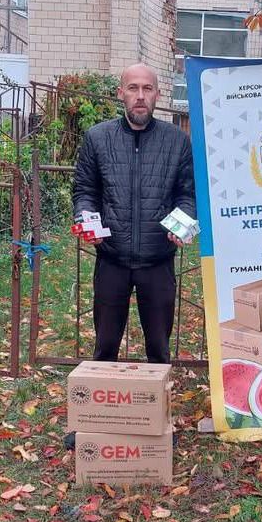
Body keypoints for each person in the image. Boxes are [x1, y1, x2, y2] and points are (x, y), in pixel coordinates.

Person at [72, 63, 195, 364]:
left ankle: (156, 404)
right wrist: (85, 219)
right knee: (105, 347)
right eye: (133, 88)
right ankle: (101, 406)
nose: (140, 96)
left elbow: (187, 194)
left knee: (159, 348)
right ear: (121, 94)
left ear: (157, 94)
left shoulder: (177, 141)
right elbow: (85, 190)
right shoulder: (97, 138)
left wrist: (183, 223)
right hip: (112, 257)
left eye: (147, 89)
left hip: (158, 260)